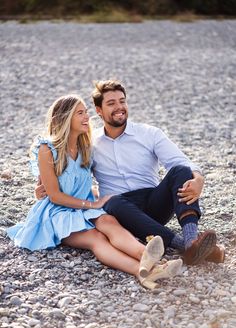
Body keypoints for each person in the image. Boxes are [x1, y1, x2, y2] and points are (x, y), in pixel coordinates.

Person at [36, 81, 225, 265]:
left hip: (154, 203)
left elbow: (180, 161)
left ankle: (191, 241)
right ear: (99, 110)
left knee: (181, 171)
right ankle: (185, 247)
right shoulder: (90, 144)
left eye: (122, 101)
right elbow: (69, 170)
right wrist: (41, 189)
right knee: (113, 201)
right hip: (121, 210)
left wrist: (199, 178)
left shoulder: (149, 134)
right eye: (111, 103)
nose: (119, 107)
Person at [7, 94, 183, 290]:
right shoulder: (47, 149)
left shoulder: (85, 148)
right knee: (96, 239)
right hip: (58, 213)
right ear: (65, 118)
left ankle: (150, 259)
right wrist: (92, 204)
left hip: (84, 207)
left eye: (86, 113)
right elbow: (54, 195)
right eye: (80, 113)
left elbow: (82, 181)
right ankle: (142, 272)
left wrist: (97, 196)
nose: (86, 118)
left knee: (109, 222)